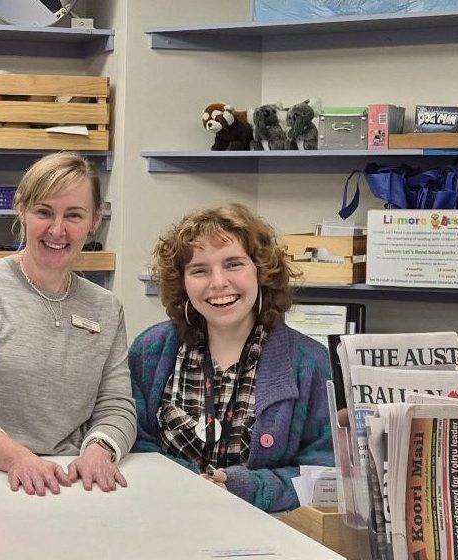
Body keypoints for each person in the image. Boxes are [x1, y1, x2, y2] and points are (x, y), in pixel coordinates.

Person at [0, 152, 136, 496]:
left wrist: (99, 451)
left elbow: (117, 406)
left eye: (74, 215)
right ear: (21, 209)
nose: (57, 229)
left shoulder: (106, 307)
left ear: (94, 221)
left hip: (70, 483)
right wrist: (17, 459)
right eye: (44, 212)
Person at [128, 203, 334, 512]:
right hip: (165, 519)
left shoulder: (310, 363)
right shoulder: (150, 351)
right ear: (182, 281)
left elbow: (325, 476)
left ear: (261, 271)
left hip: (270, 536)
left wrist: (247, 487)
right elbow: (136, 446)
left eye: (233, 264)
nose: (218, 282)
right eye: (200, 270)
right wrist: (187, 482)